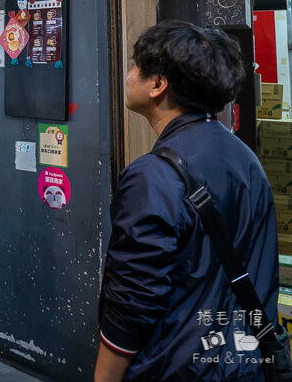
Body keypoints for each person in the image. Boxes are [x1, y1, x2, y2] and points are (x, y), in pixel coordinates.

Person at [95, 20, 279, 382]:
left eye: (135, 66)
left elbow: (133, 301)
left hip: (179, 368)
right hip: (246, 364)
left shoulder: (153, 174)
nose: (129, 75)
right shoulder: (245, 158)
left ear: (158, 85)